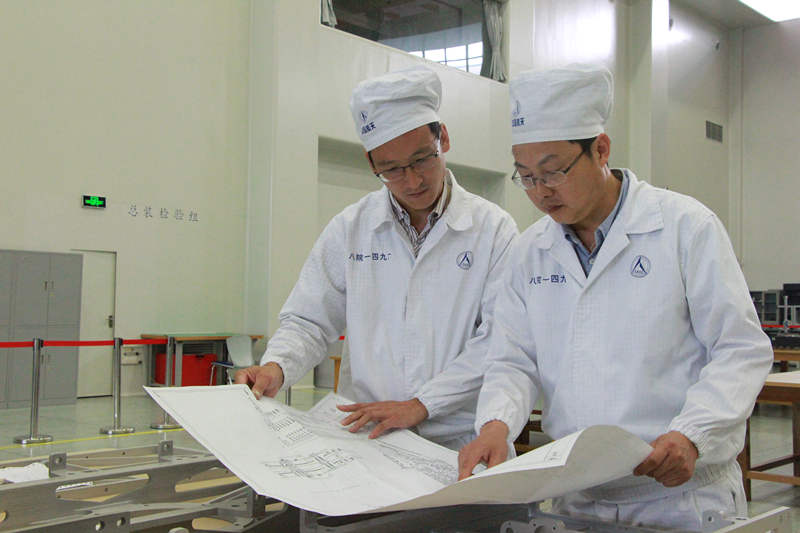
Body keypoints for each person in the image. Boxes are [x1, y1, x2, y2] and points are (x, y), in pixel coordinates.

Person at [456, 65, 772, 530]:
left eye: (553, 172)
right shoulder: (529, 252)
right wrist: (496, 425)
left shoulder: (685, 228)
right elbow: (513, 360)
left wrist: (692, 433)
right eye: (526, 176)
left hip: (679, 497)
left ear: (601, 149)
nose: (541, 192)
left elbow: (739, 350)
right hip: (577, 496)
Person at [235, 66, 518, 450]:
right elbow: (308, 321)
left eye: (422, 159)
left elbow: (499, 340)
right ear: (371, 164)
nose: (413, 181)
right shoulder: (351, 228)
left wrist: (422, 405)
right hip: (369, 439)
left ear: (444, 138)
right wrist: (276, 367)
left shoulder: (493, 231)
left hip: (455, 442)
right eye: (392, 170)